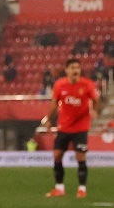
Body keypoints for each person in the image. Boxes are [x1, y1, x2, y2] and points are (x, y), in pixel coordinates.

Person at [42, 57, 99, 198]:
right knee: (57, 156)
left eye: (77, 68)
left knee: (80, 157)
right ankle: (59, 188)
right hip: (64, 126)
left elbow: (95, 99)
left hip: (81, 127)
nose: (75, 70)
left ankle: (82, 189)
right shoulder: (59, 85)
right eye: (72, 68)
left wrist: (94, 110)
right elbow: (54, 103)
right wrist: (48, 119)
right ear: (66, 70)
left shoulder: (87, 85)